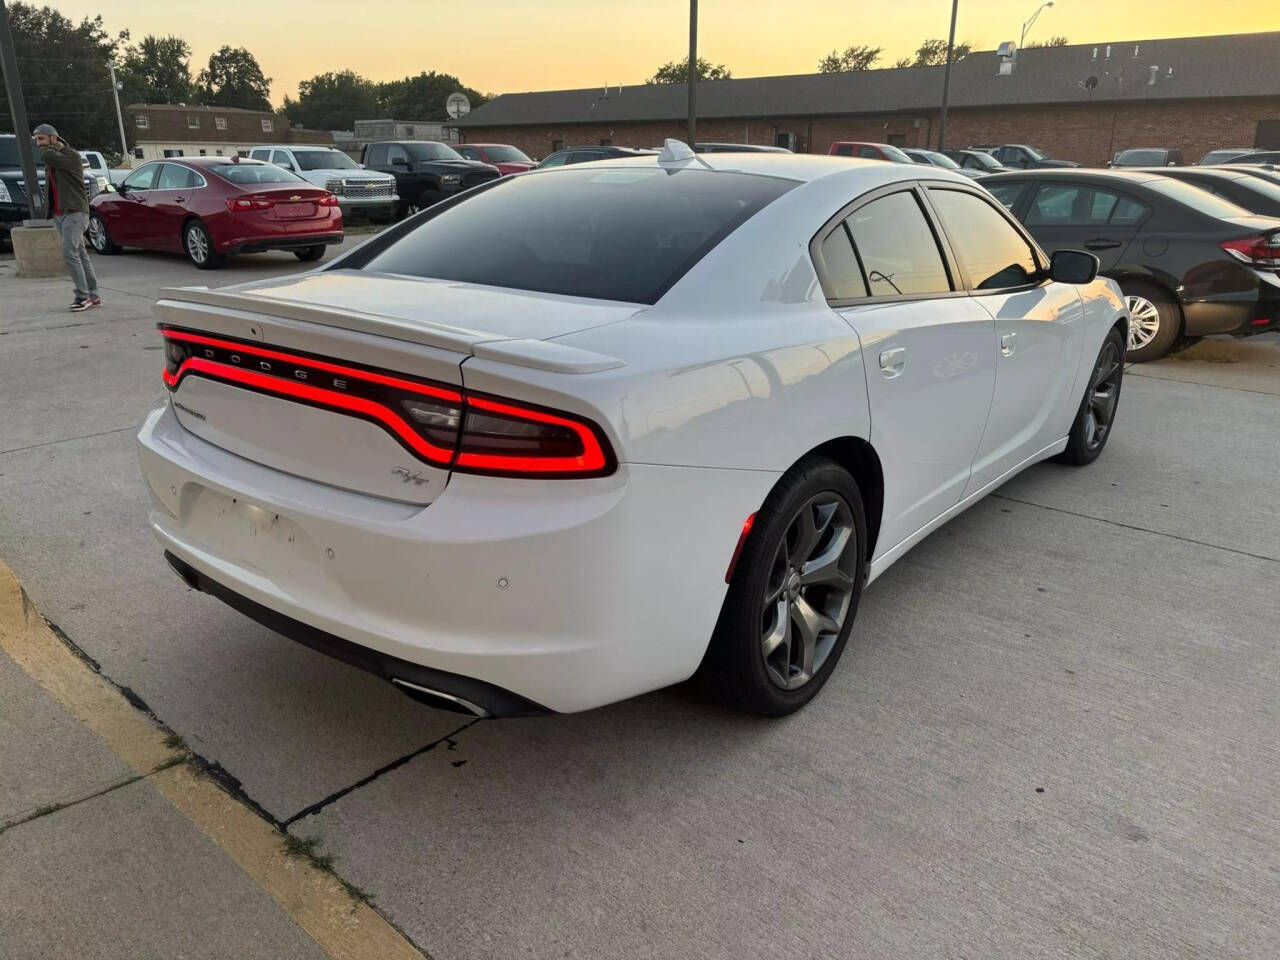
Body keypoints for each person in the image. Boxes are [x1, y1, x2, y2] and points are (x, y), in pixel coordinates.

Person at [33, 123, 101, 312]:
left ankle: (82, 296)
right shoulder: (53, 158)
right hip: (60, 214)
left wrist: (49, 148)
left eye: (41, 139)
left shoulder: (70, 155)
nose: (38, 144)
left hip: (75, 212)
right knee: (80, 253)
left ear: (53, 138)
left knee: (69, 252)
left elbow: (48, 155)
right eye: (36, 140)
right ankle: (93, 296)